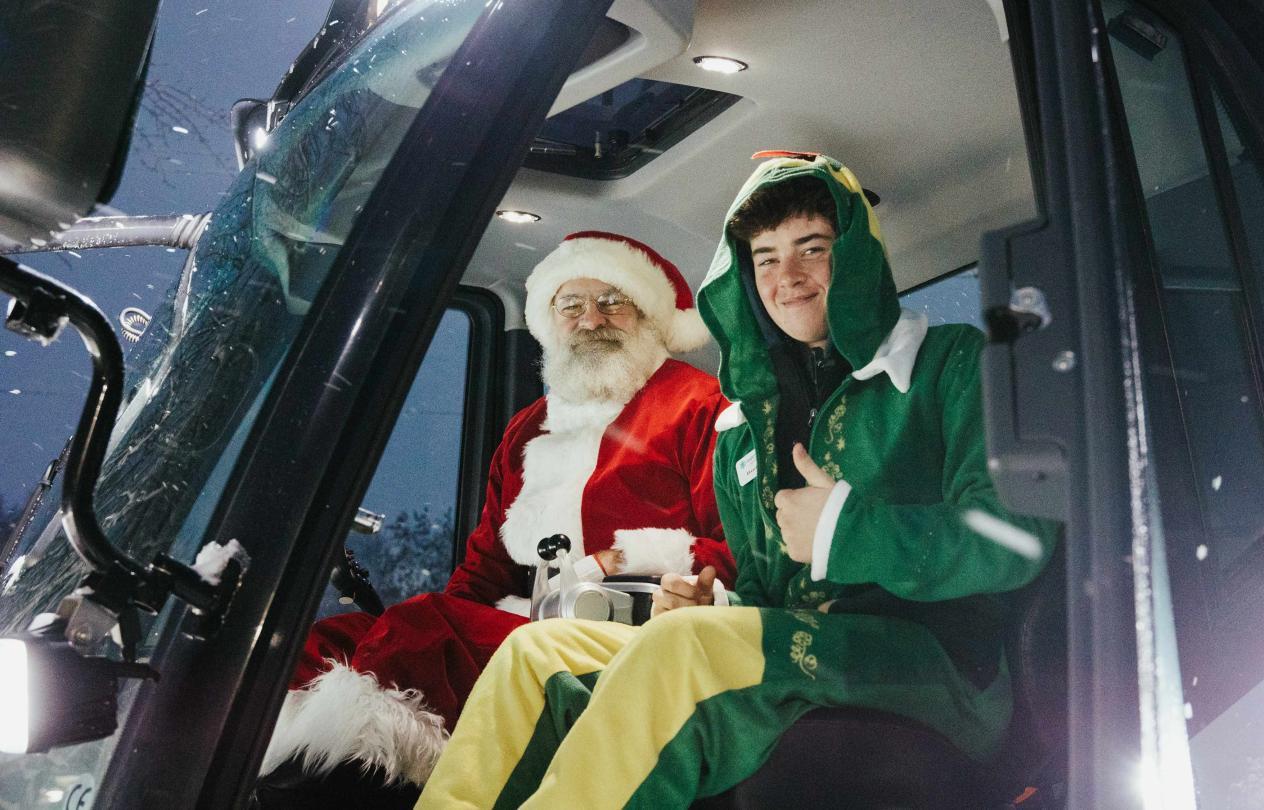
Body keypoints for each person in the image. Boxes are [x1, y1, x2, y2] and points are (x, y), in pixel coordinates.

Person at [416, 152, 1061, 809]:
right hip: (796, 653)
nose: (790, 277)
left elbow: (1020, 536)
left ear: (856, 255)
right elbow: (761, 593)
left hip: (937, 666)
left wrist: (845, 528)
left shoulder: (952, 367)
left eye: (813, 248)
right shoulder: (743, 431)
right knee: (536, 652)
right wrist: (715, 608)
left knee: (678, 650)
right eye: (766, 258)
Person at [256, 231, 735, 802]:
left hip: (628, 629)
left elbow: (733, 545)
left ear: (650, 316)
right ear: (550, 320)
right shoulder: (528, 427)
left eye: (612, 302)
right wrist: (441, 615)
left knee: (421, 632)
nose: (590, 320)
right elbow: (486, 569)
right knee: (326, 642)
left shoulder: (701, 406)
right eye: (571, 305)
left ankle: (353, 787)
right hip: (533, 619)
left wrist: (623, 561)